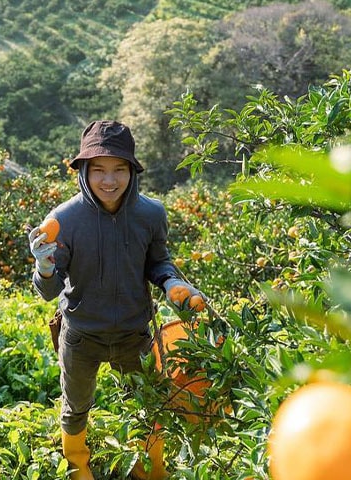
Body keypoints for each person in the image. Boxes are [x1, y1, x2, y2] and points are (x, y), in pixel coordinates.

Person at [28, 120, 205, 480]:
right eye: (99, 170)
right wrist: (44, 267)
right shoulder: (64, 220)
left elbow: (158, 261)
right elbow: (48, 292)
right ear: (83, 172)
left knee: (149, 407)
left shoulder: (150, 214)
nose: (109, 181)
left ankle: (150, 468)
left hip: (133, 335)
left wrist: (171, 283)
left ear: (132, 171)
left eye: (118, 170)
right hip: (81, 335)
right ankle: (78, 465)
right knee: (76, 407)